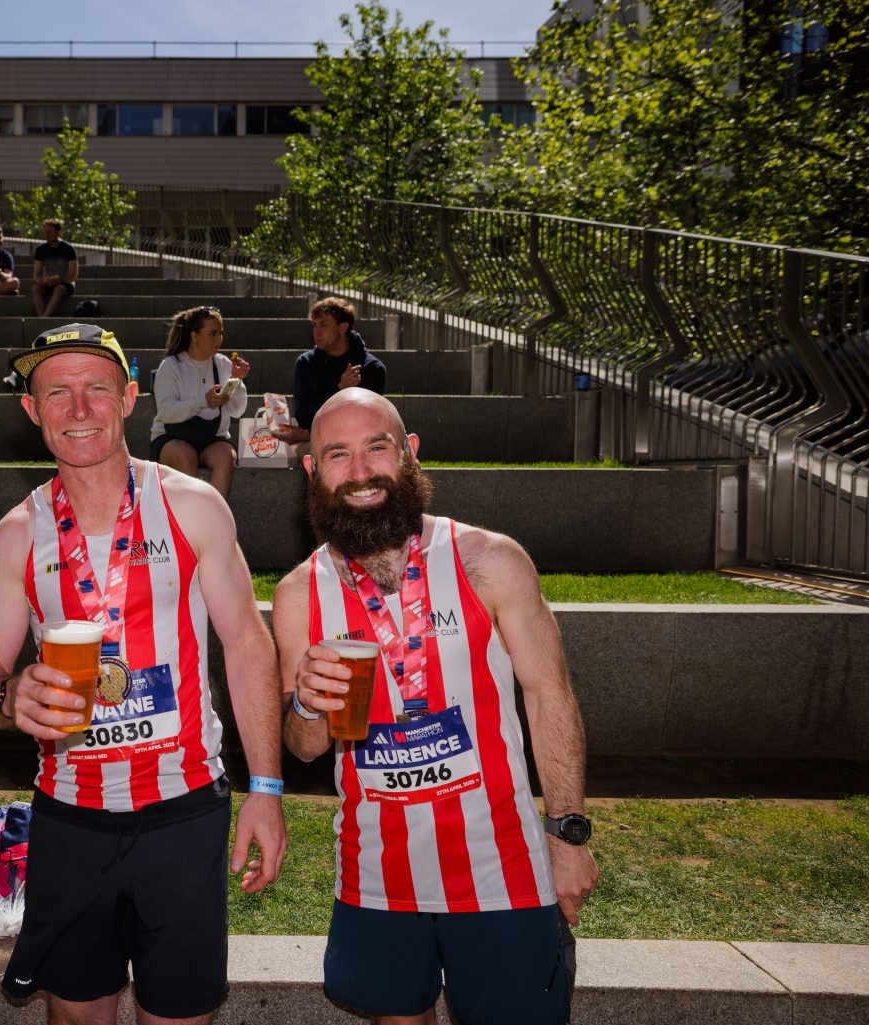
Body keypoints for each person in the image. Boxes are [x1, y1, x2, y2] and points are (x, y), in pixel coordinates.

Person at [0, 322, 287, 1025]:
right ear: (31, 409)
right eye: (57, 393)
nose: (79, 409)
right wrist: (6, 693)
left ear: (130, 397)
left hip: (184, 809)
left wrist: (265, 787)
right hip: (70, 817)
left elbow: (247, 644)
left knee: (180, 1016)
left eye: (97, 389)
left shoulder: (193, 505)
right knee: (76, 1015)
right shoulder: (17, 533)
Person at [276, 388, 598, 1025]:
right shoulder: (298, 594)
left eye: (377, 448)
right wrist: (308, 708)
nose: (360, 471)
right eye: (337, 454)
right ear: (312, 470)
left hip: (503, 868)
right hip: (376, 875)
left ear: (410, 453)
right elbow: (306, 748)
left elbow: (550, 695)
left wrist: (568, 834)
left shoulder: (490, 560)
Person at [149, 305, 251, 499]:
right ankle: (194, 515)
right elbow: (166, 412)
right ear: (194, 336)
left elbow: (238, 411)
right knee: (185, 457)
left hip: (211, 439)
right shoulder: (171, 366)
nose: (218, 339)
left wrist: (236, 381)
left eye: (221, 333)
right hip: (171, 438)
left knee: (227, 457)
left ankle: (213, 514)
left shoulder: (223, 364)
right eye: (212, 334)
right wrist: (202, 401)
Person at [275, 296, 387, 447]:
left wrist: (306, 434)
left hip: (359, 444)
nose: (316, 332)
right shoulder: (306, 363)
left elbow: (365, 422)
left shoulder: (372, 368)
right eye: (314, 325)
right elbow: (304, 418)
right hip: (317, 444)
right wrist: (339, 390)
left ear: (343, 327)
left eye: (323, 325)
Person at [29, 219, 78, 318]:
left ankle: (45, 317)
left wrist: (60, 279)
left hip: (65, 284)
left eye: (50, 232)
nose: (47, 235)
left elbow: (73, 275)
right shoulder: (41, 249)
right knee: (35, 288)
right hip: (47, 283)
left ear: (58, 232)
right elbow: (36, 274)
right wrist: (43, 280)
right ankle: (41, 316)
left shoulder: (69, 249)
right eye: (45, 232)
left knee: (59, 289)